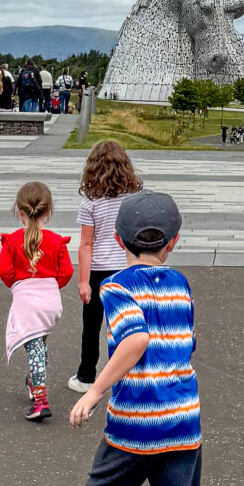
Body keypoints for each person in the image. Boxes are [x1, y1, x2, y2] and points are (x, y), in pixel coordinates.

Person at [68, 188, 217, 486]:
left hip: (136, 420)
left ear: (116, 238)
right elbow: (186, 344)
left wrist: (95, 391)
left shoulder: (116, 286)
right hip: (183, 420)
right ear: (173, 241)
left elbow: (133, 339)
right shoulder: (180, 283)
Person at [68, 141, 142, 393]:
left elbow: (86, 245)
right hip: (128, 269)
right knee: (125, 324)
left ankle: (86, 376)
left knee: (91, 327)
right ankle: (125, 373)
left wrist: (83, 281)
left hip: (99, 271)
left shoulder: (91, 204)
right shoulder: (135, 201)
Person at [0, 179, 73, 423]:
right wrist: (53, 285)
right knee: (39, 344)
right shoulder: (55, 241)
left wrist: (16, 283)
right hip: (50, 301)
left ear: (20, 212)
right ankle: (33, 380)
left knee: (35, 348)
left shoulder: (13, 241)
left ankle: (41, 400)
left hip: (27, 302)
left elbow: (4, 270)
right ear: (48, 212)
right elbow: (67, 271)